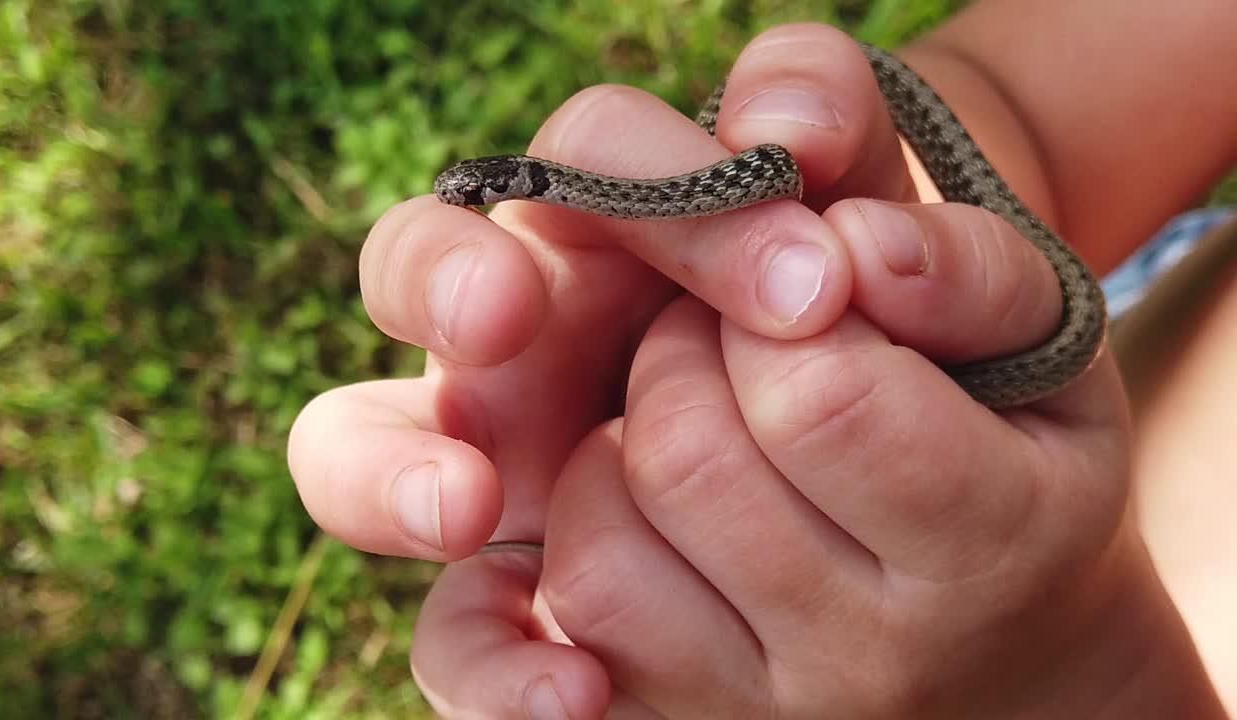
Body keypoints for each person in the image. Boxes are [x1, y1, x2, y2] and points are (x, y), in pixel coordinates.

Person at [287, 0, 1237, 716]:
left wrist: (1078, 674)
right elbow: (1022, 118)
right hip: (1086, 319)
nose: (471, 195)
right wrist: (874, 198)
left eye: (482, 190)